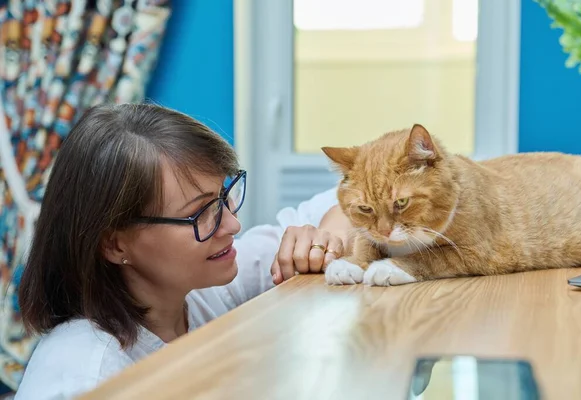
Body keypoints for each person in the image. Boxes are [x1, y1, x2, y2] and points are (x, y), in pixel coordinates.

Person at [15, 104, 350, 399]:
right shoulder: (89, 378)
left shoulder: (196, 294)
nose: (232, 225)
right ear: (114, 244)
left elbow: (340, 202)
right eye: (200, 212)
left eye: (224, 196)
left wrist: (325, 239)